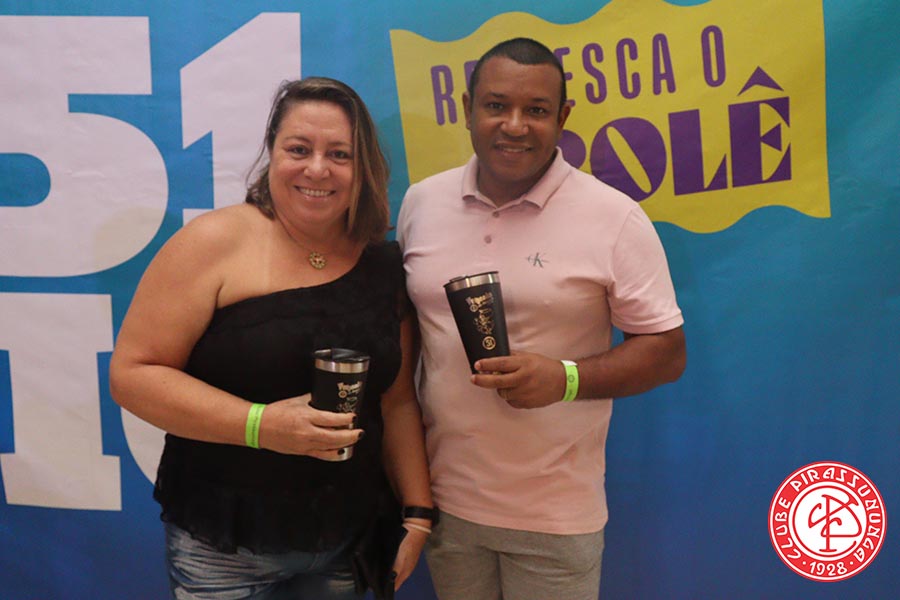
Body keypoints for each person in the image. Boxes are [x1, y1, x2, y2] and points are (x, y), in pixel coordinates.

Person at [110, 77, 435, 600]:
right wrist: (261, 425)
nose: (317, 169)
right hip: (224, 548)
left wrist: (417, 514)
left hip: (348, 541)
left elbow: (396, 400)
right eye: (299, 149)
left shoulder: (382, 263)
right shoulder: (212, 242)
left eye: (340, 154)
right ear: (272, 153)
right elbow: (132, 375)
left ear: (364, 168)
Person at [396, 38, 686, 600]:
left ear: (563, 117)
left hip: (555, 515)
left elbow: (667, 352)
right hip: (446, 506)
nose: (514, 125)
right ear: (467, 109)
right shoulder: (421, 204)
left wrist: (566, 378)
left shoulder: (614, 217)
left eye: (536, 110)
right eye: (496, 105)